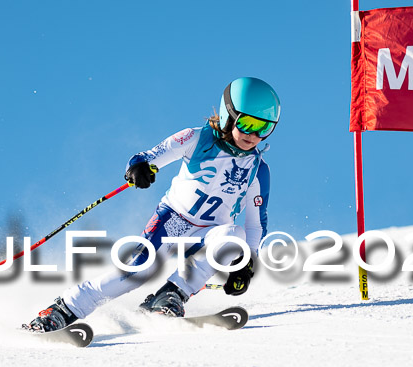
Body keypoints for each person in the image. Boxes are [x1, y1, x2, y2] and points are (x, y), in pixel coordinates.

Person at [26, 77, 280, 332]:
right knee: (137, 272)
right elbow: (147, 157)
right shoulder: (196, 138)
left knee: (234, 236)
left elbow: (256, 225)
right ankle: (63, 309)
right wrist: (139, 168)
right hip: (173, 222)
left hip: (208, 235)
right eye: (247, 124)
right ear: (228, 115)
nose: (254, 135)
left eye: (264, 128)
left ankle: (170, 296)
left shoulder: (258, 170)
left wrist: (246, 263)